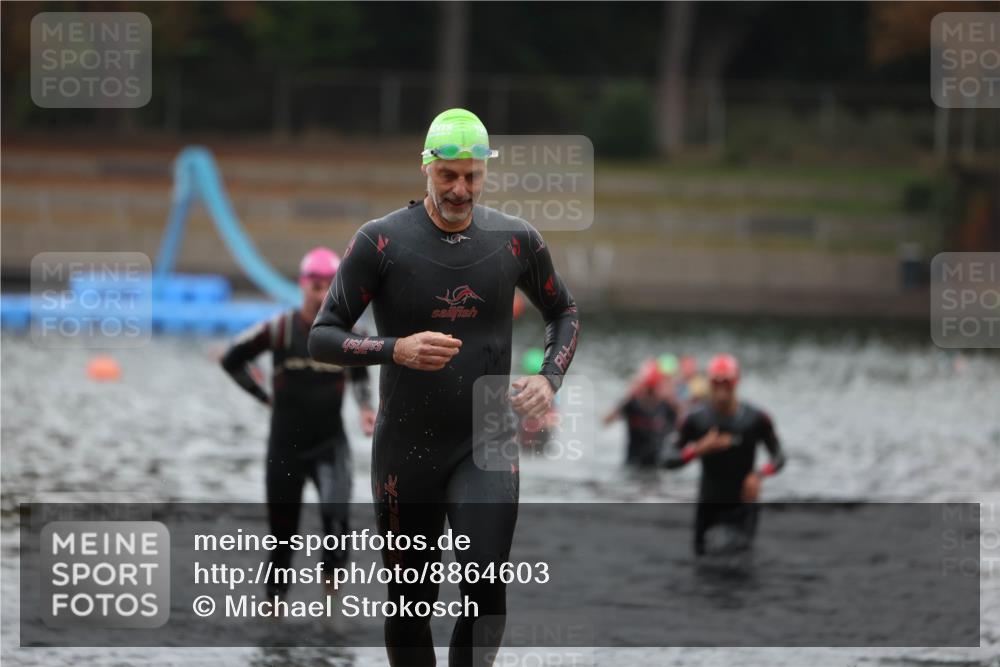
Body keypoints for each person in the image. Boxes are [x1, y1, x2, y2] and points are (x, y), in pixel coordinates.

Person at [308, 108, 580, 666]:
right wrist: (394, 349)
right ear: (426, 167)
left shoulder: (515, 241)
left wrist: (549, 377)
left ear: (485, 172)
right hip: (407, 446)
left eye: (472, 176)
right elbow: (322, 337)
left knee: (486, 588)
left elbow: (565, 312)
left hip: (487, 435)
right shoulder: (380, 243)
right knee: (411, 602)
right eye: (448, 175)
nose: (460, 189)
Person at [221, 247, 376, 599]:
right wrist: (264, 397)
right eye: (315, 286)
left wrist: (365, 408)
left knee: (337, 528)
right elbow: (232, 359)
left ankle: (331, 614)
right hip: (285, 449)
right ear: (303, 285)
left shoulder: (350, 332)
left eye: (329, 287)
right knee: (282, 539)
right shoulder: (279, 329)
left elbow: (361, 377)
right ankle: (273, 616)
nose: (322, 295)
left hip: (330, 447)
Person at [663, 354, 786, 556]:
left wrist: (759, 475)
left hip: (743, 506)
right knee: (703, 567)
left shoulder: (756, 418)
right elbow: (666, 459)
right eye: (716, 381)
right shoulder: (695, 419)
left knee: (739, 566)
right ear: (709, 382)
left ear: (736, 381)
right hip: (708, 505)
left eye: (726, 381)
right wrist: (697, 450)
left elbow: (779, 457)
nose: (721, 387)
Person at [603, 359, 679, 468]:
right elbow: (606, 421)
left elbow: (684, 425)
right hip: (633, 465)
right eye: (646, 389)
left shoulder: (666, 407)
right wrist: (627, 396)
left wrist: (673, 399)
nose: (648, 395)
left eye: (651, 390)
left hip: (657, 467)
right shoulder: (631, 405)